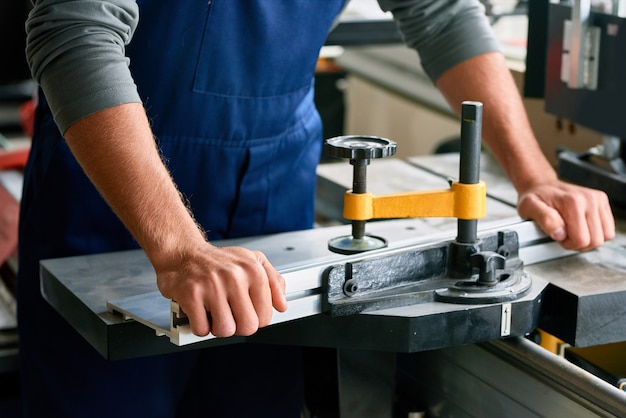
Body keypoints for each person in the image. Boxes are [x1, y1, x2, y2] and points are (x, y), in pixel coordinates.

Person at [20, 1, 614, 417]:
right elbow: (75, 33)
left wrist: (536, 177)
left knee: (254, 403)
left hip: (274, 193)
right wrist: (178, 246)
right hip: (116, 193)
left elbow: (441, 13)